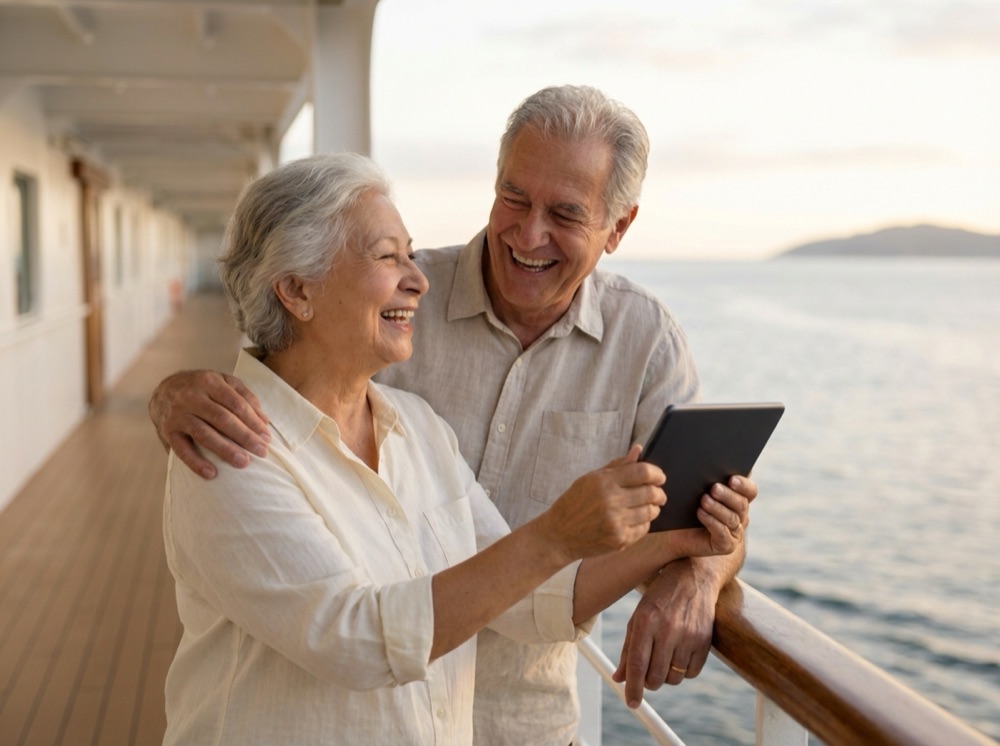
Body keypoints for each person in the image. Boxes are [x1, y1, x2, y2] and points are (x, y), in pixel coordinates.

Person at [150, 86, 759, 745]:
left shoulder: (416, 427)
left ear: (618, 227)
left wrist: (685, 550)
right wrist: (170, 392)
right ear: (297, 290)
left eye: (565, 212)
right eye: (514, 197)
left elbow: (537, 596)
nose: (415, 278)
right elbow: (355, 637)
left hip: (524, 718)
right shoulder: (233, 447)